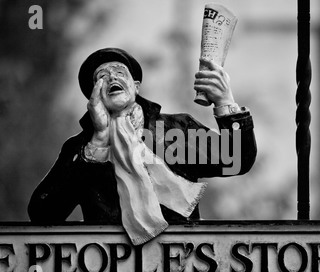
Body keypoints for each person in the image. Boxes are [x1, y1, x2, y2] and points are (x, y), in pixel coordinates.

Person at [28, 48, 257, 245]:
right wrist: (98, 142)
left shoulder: (176, 129)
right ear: (93, 95)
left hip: (180, 266)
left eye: (119, 72)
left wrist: (225, 103)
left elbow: (236, 159)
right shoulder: (81, 149)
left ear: (135, 86)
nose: (111, 78)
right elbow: (43, 214)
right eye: (102, 77)